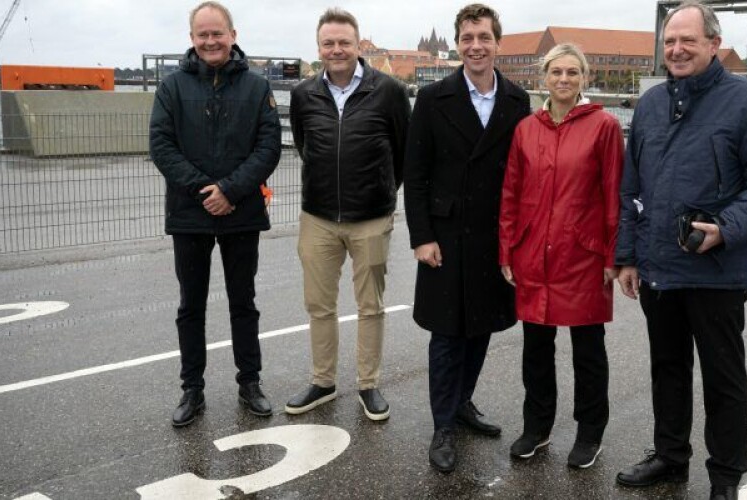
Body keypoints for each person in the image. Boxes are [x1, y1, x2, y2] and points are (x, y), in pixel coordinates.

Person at [614, 2, 747, 499]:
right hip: (658, 270)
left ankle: (725, 477)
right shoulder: (649, 105)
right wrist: (627, 256)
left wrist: (725, 227)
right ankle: (670, 457)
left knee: (722, 377)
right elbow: (630, 188)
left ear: (713, 44)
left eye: (687, 41)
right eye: (670, 41)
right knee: (667, 369)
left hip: (717, 268)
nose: (677, 49)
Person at [403, 3, 531, 473]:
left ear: (497, 43)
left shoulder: (517, 101)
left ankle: (462, 403)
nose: (475, 46)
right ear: (457, 45)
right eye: (467, 38)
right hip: (446, 235)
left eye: (484, 37)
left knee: (480, 326)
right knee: (446, 333)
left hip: (493, 237)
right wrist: (421, 236)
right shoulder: (433, 98)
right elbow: (414, 176)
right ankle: (442, 424)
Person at [150, 0, 281, 427]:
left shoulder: (258, 88)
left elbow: (268, 148)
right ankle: (192, 389)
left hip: (241, 213)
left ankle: (250, 383)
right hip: (190, 215)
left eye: (217, 33)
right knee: (191, 306)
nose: (210, 41)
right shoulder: (172, 88)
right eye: (202, 34)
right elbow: (161, 146)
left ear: (232, 35)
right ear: (192, 39)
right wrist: (204, 190)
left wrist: (229, 189)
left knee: (243, 303)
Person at [498, 43, 623, 469]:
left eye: (573, 72)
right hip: (534, 253)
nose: (564, 80)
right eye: (557, 72)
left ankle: (590, 432)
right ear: (543, 77)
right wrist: (507, 249)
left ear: (584, 78)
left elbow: (613, 194)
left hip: (583, 255)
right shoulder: (525, 129)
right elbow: (511, 193)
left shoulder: (603, 127)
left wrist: (613, 254)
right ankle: (537, 427)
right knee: (536, 349)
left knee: (588, 350)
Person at [284, 8, 411, 422]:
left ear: (358, 45)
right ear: (319, 47)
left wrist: (380, 192)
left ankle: (368, 385)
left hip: (371, 217)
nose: (336, 50)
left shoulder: (389, 90)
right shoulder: (303, 94)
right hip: (318, 217)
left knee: (369, 305)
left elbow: (403, 150)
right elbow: (306, 146)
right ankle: (323, 381)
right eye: (328, 43)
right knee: (319, 305)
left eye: (344, 42)